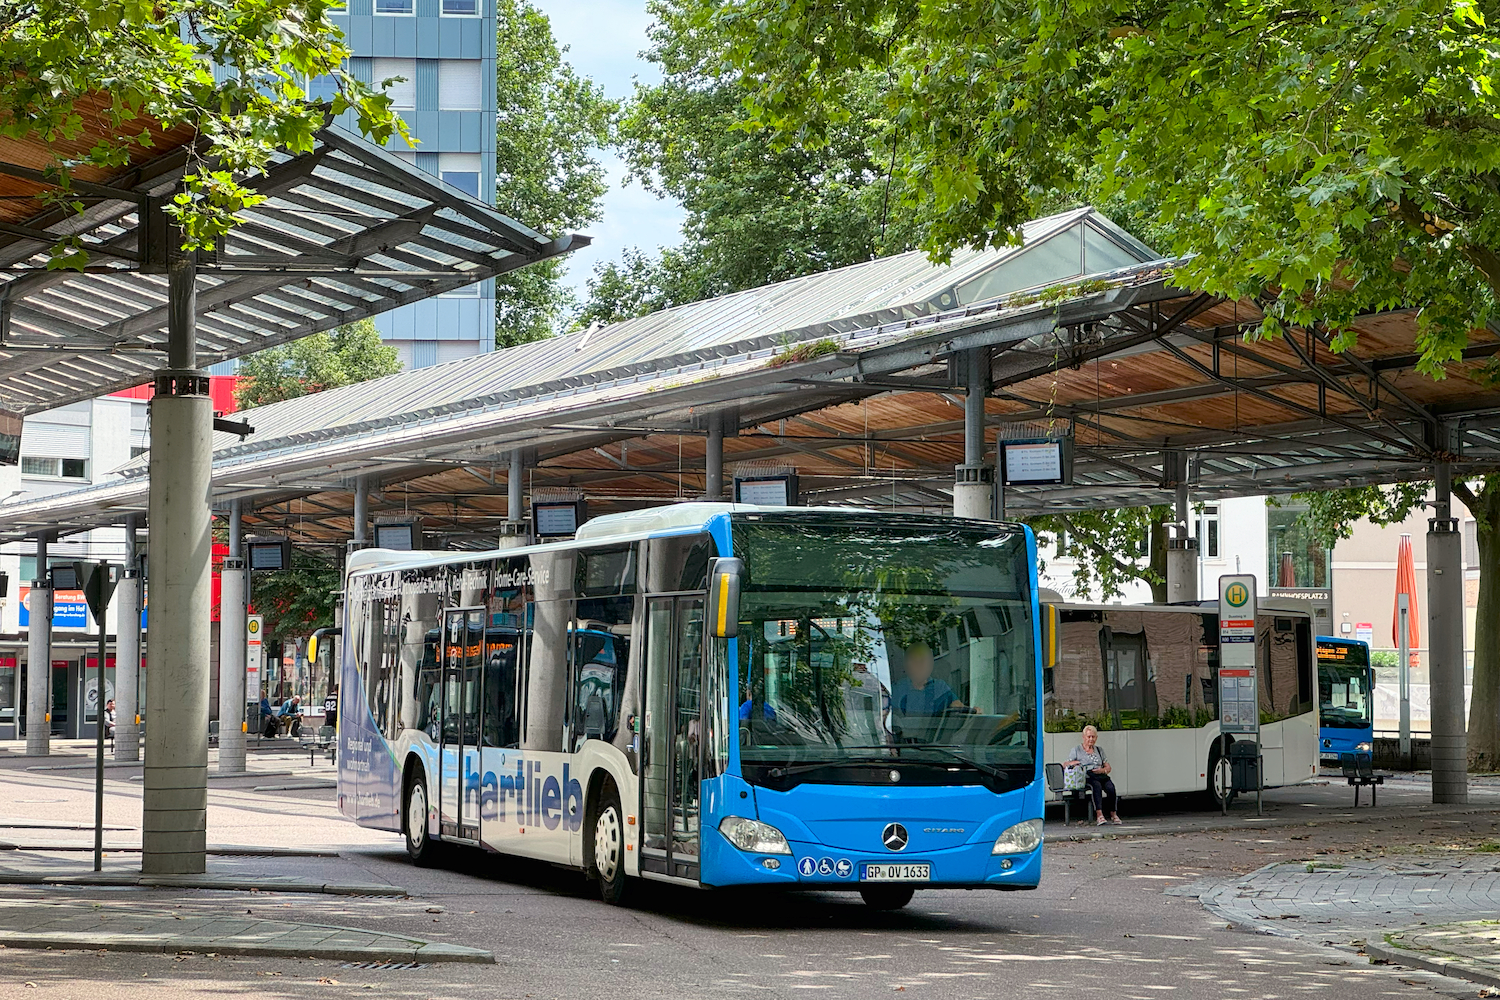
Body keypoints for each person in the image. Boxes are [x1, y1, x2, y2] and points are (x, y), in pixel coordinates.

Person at [1065, 725, 1122, 826]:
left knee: (1111, 788)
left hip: (1100, 774)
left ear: (1096, 738)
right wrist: (1077, 763)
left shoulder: (1099, 750)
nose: (1091, 739)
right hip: (1087, 775)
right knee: (1096, 786)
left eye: (1093, 737)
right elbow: (1066, 764)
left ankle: (1113, 814)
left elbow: (1108, 767)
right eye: (1089, 737)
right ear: (1084, 737)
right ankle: (1099, 815)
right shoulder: (1076, 750)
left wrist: (1102, 770)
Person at [890, 642, 967, 716]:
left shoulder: (940, 687)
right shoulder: (896, 689)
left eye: (924, 661)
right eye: (915, 661)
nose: (921, 666)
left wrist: (973, 711)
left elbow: (957, 706)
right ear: (906, 665)